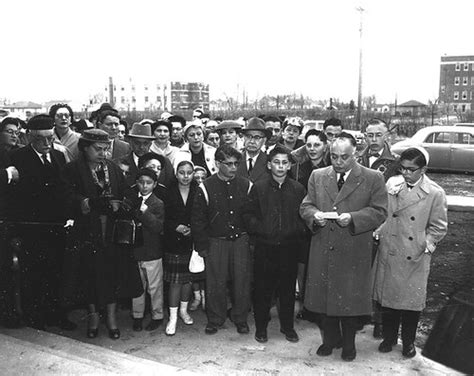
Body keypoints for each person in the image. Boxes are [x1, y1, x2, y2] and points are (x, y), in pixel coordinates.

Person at [299, 132, 388, 361]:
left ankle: (349, 344)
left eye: (344, 157)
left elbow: (380, 211)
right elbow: (306, 205)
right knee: (325, 300)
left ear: (355, 154)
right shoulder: (318, 176)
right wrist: (314, 216)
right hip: (323, 246)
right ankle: (329, 341)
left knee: (348, 301)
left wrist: (354, 218)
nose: (338, 162)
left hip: (353, 248)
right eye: (334, 156)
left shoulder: (373, 177)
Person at [62, 129, 143, 340]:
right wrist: (88, 203)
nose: (103, 153)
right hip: (87, 231)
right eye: (98, 149)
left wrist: (123, 203)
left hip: (111, 232)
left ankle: (112, 318)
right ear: (84, 148)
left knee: (112, 275)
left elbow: (128, 192)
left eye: (106, 149)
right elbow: (66, 196)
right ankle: (94, 317)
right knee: (90, 276)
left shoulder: (113, 168)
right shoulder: (72, 169)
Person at [373, 147, 448, 358]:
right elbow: (384, 213)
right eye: (402, 168)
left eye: (411, 169)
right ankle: (389, 338)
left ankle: (408, 342)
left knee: (411, 304)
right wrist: (380, 231)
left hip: (414, 255)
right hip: (391, 249)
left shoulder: (434, 192)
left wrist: (426, 246)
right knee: (389, 301)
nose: (405, 173)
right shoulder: (392, 184)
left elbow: (439, 227)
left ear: (423, 169)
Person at [7, 114, 76, 330]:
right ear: (29, 137)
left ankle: (57, 314)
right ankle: (35, 316)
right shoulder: (16, 157)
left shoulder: (57, 155)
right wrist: (14, 233)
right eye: (41, 139)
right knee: (34, 274)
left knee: (58, 272)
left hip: (56, 227)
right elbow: (11, 201)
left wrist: (69, 216)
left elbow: (64, 190)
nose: (47, 143)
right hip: (30, 230)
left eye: (50, 138)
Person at [243, 146, 307, 343]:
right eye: (276, 162)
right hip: (265, 247)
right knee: (263, 289)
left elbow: (304, 215)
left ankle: (287, 327)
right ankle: (261, 328)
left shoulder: (297, 189)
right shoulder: (259, 187)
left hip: (289, 248)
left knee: (287, 290)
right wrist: (261, 229)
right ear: (269, 165)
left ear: (289, 165)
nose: (280, 166)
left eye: (284, 163)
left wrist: (294, 230)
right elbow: (247, 214)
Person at [191, 144, 252, 335]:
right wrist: (202, 246)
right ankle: (215, 319)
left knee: (242, 282)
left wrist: (251, 242)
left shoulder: (246, 185)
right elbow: (198, 219)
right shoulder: (205, 186)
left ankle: (240, 318)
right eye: (229, 164)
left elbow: (252, 215)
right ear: (218, 163)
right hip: (216, 242)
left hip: (241, 241)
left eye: (236, 163)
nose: (233, 168)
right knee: (215, 282)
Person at [357, 117, 399, 338]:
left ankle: (380, 321)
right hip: (358, 221)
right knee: (358, 270)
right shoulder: (355, 158)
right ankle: (358, 315)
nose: (373, 139)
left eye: (378, 135)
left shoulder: (396, 163)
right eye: (369, 135)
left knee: (381, 273)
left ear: (387, 136)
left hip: (383, 223)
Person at [125, 168, 165, 333]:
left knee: (154, 286)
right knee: (137, 286)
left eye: (148, 183)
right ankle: (137, 316)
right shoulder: (131, 200)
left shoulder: (157, 203)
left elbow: (158, 227)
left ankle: (157, 315)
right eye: (141, 182)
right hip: (136, 251)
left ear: (155, 184)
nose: (144, 186)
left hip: (151, 252)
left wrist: (145, 211)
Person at [164, 160, 198, 335]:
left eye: (189, 173)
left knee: (188, 280)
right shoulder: (167, 192)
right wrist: (175, 226)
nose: (186, 176)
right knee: (175, 282)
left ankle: (184, 311)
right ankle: (173, 317)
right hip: (173, 242)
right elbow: (163, 216)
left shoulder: (198, 190)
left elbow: (201, 215)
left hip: (191, 242)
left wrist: (192, 229)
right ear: (176, 174)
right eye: (182, 172)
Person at [188, 165, 208, 311]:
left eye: (203, 178)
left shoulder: (207, 192)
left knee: (207, 269)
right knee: (194, 269)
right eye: (197, 178)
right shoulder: (191, 192)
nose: (200, 180)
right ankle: (197, 296)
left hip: (206, 235)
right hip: (191, 235)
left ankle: (205, 295)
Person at [118, 122, 156, 187]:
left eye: (145, 143)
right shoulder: (119, 163)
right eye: (137, 143)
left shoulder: (161, 162)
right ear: (131, 143)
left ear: (150, 144)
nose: (141, 147)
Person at [236, 117, 271, 183]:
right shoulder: (236, 160)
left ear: (264, 140)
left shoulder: (269, 161)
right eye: (248, 136)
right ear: (244, 137)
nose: (252, 141)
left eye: (257, 137)